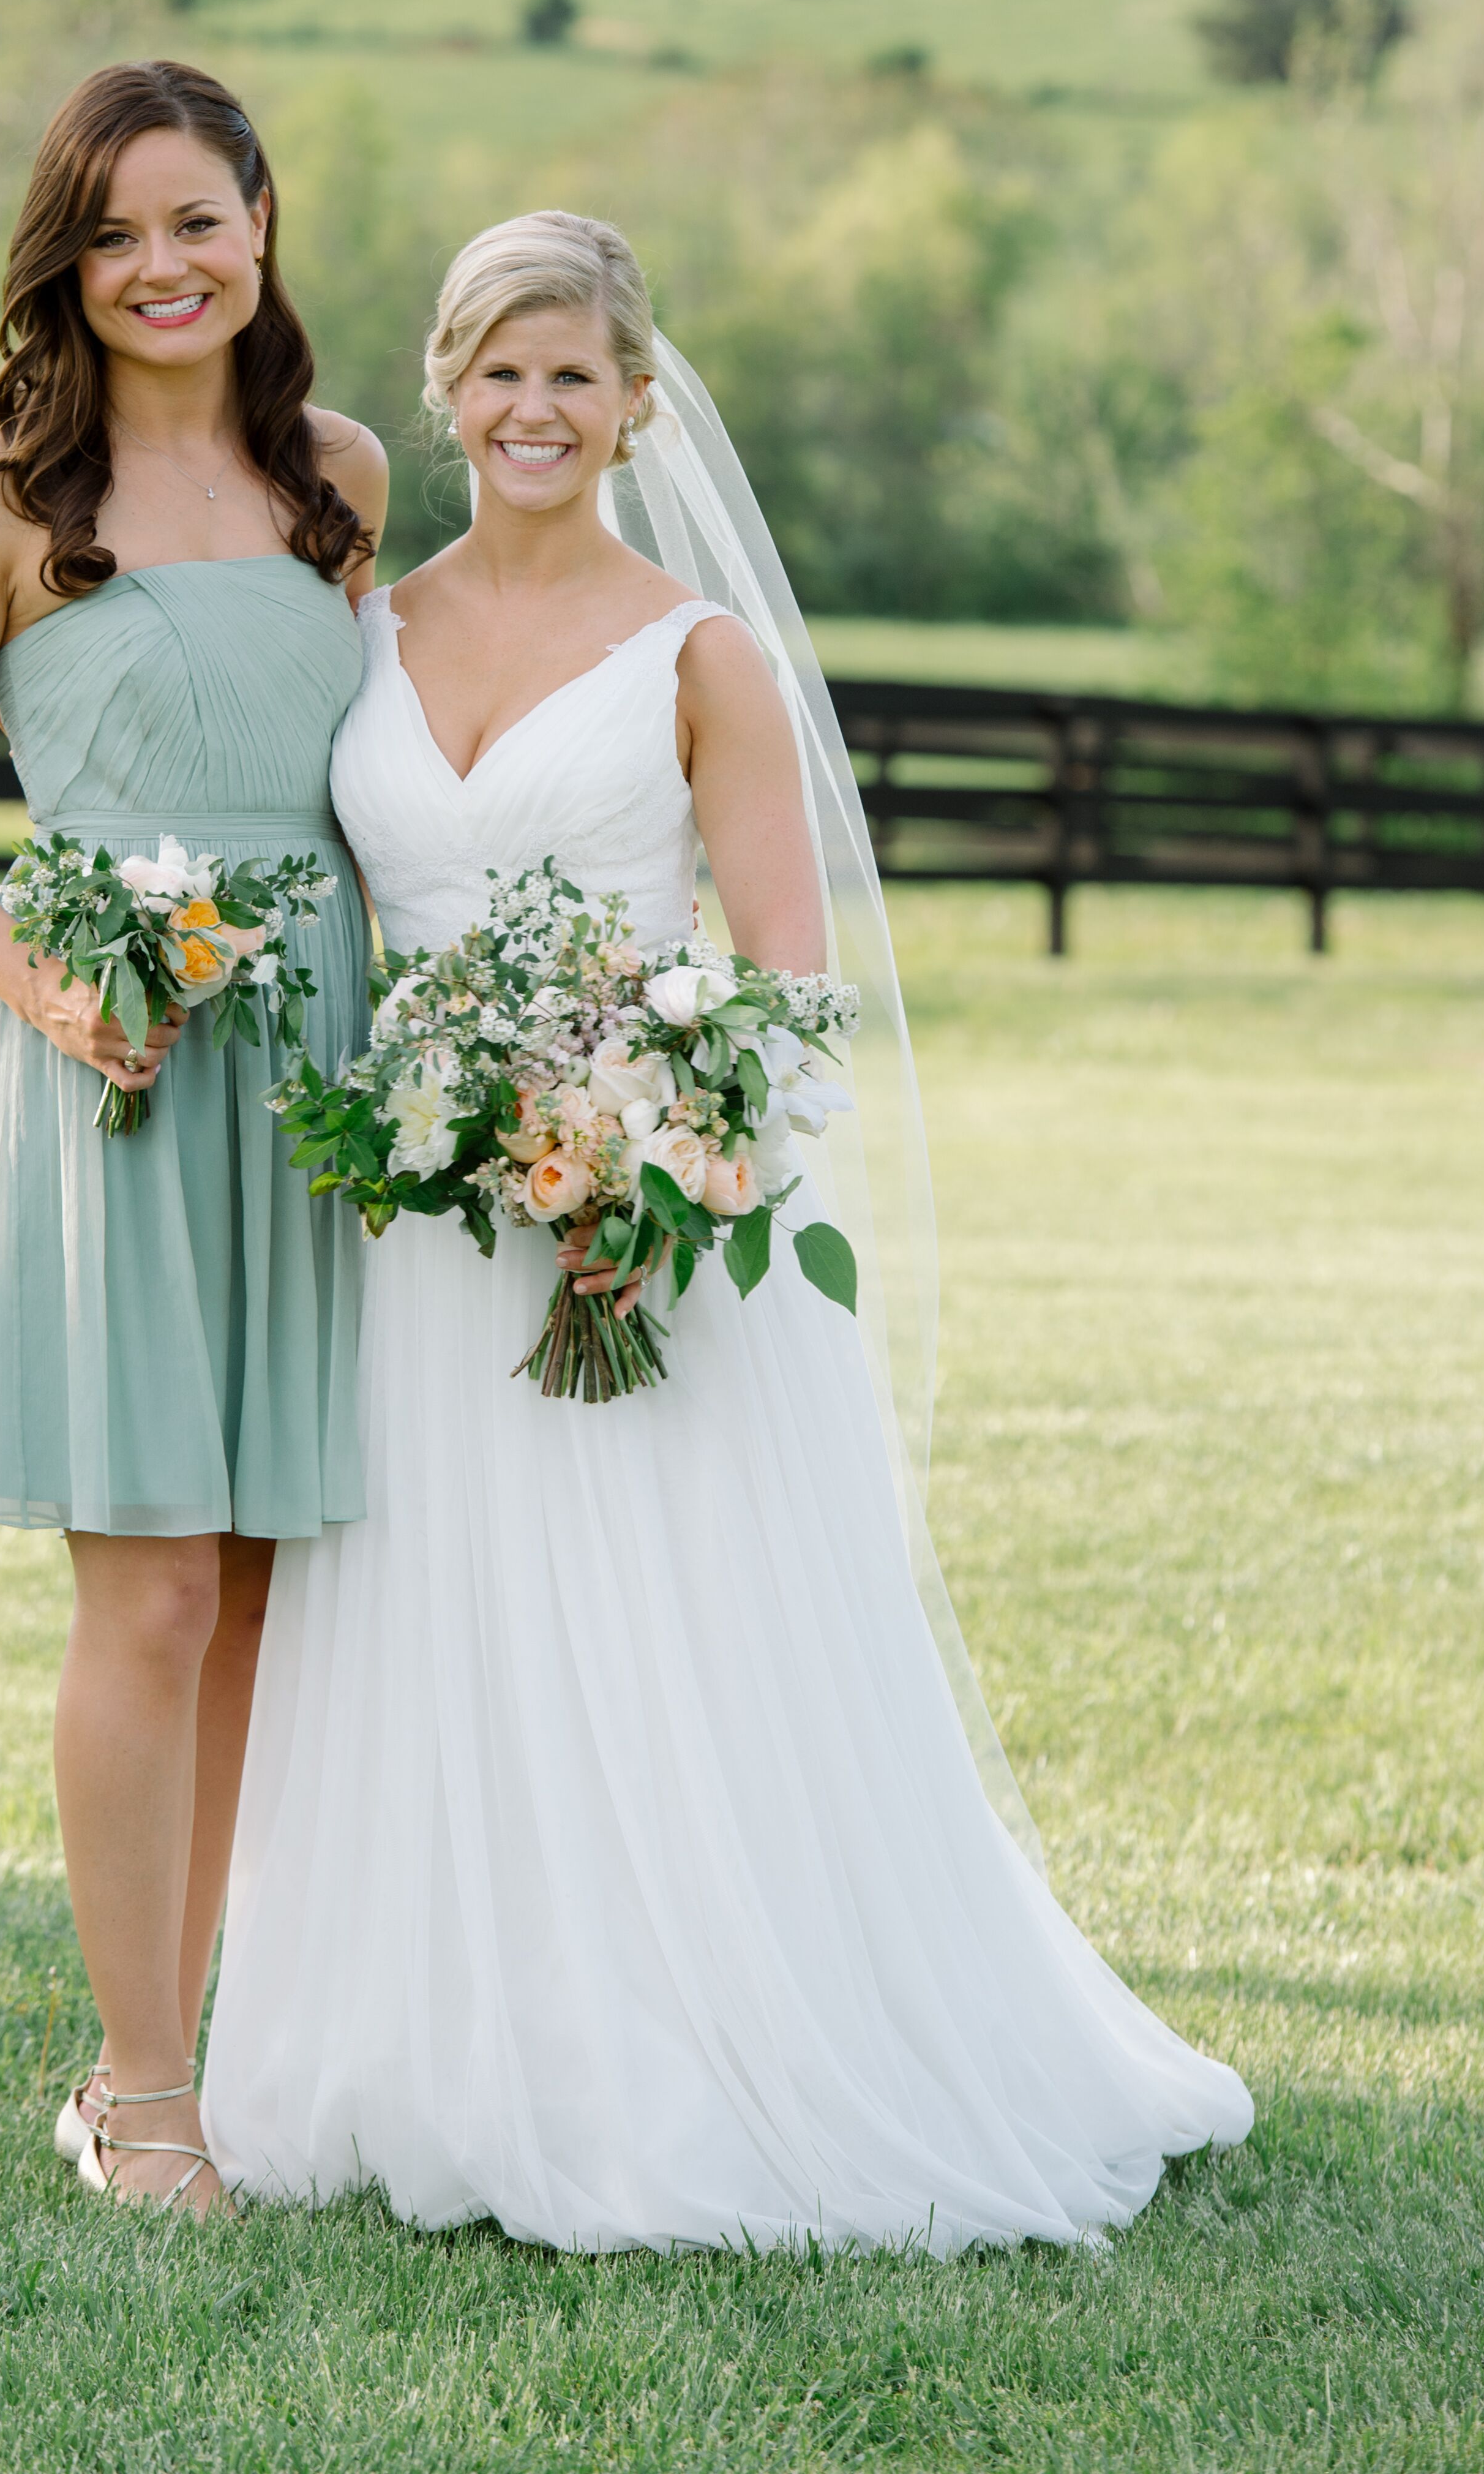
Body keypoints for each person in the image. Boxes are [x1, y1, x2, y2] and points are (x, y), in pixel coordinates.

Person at [200, 209, 1252, 2254]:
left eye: (573, 375)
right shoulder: (366, 630)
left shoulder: (701, 657)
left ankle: (687, 2057)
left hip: (639, 1242)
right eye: (501, 370)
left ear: (635, 404)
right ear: (445, 385)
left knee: (655, 1653)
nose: (534, 408)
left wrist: (657, 1180)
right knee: (438, 1639)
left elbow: (784, 981)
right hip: (416, 1245)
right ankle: (429, 2045)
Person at [0, 60, 384, 2217]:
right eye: (117, 232)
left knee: (253, 1590)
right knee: (147, 1594)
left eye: (199, 222)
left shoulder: (335, 474)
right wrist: (49, 987)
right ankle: (141, 2092)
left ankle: (196, 2035)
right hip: (114, 1062)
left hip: (315, 1071)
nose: (162, 267)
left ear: (261, 223)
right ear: (66, 258)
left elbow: (371, 783)